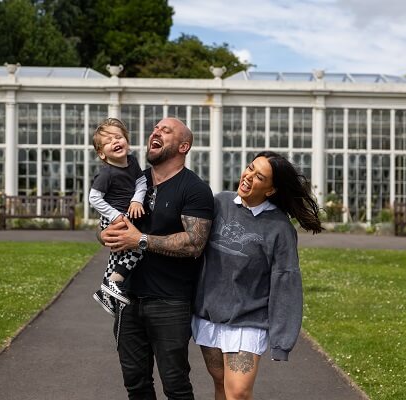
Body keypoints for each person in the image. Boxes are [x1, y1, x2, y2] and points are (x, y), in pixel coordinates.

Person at [192, 151, 322, 400]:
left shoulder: (280, 228)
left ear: (271, 190)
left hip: (248, 321)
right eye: (250, 168)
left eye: (259, 176)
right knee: (221, 386)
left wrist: (282, 340)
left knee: (238, 393)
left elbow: (286, 281)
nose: (248, 176)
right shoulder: (220, 203)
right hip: (209, 316)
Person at [100, 117, 214, 400]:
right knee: (135, 384)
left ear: (183, 146)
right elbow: (108, 225)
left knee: (175, 385)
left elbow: (194, 243)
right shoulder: (131, 182)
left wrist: (139, 239)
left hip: (170, 301)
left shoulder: (194, 189)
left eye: (166, 130)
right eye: (155, 128)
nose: (156, 132)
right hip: (127, 298)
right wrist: (104, 236)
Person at [88, 117, 147, 315]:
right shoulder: (107, 173)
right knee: (137, 248)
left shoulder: (132, 162)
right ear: (102, 154)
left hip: (125, 214)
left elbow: (140, 183)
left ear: (127, 141)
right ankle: (114, 282)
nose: (115, 141)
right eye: (108, 141)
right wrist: (114, 216)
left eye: (118, 137)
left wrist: (137, 200)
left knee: (117, 255)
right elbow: (94, 198)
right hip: (113, 217)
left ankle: (105, 289)